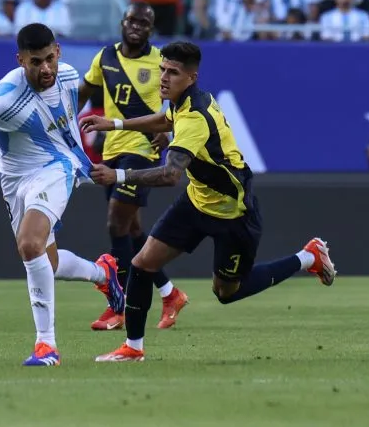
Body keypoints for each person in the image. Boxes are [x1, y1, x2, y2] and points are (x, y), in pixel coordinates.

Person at [82, 42, 336, 362]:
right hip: (196, 200)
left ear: (191, 77)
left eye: (172, 72)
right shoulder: (183, 101)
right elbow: (164, 121)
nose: (163, 77)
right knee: (142, 264)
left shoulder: (195, 117)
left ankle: (307, 257)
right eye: (162, 69)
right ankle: (133, 348)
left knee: (226, 293)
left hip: (233, 213)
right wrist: (115, 123)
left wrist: (117, 176)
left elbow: (171, 175)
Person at [0, 23, 125, 367]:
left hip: (57, 168)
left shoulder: (68, 76)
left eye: (50, 58)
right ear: (21, 60)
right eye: (36, 61)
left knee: (29, 245)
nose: (46, 68)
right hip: (16, 180)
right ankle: (103, 273)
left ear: (59, 52)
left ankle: (46, 346)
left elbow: (66, 117)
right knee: (44, 263)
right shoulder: (2, 101)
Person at [77, 3, 187, 332]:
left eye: (144, 22)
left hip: (141, 151)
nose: (137, 26)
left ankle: (120, 305)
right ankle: (171, 294)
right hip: (111, 150)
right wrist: (62, 122)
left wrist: (169, 133)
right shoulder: (105, 58)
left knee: (116, 223)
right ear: (122, 23)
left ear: (151, 29)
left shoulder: (161, 63)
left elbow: (182, 104)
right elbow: (83, 94)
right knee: (133, 229)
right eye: (132, 20)